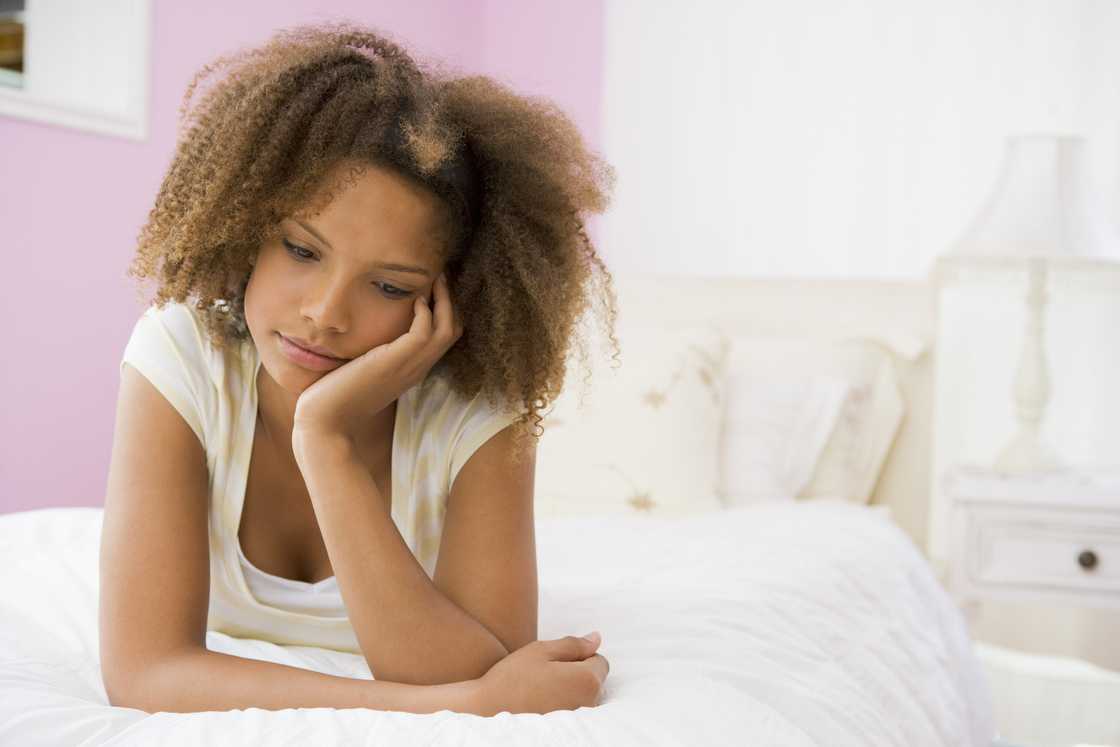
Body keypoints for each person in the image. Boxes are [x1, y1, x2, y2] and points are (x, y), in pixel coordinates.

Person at [99, 20, 618, 717]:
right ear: (249, 224)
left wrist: (324, 441)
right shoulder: (181, 356)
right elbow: (145, 672)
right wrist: (461, 702)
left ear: (452, 298)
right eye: (303, 250)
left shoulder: (479, 412)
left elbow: (483, 662)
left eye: (390, 286)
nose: (324, 313)